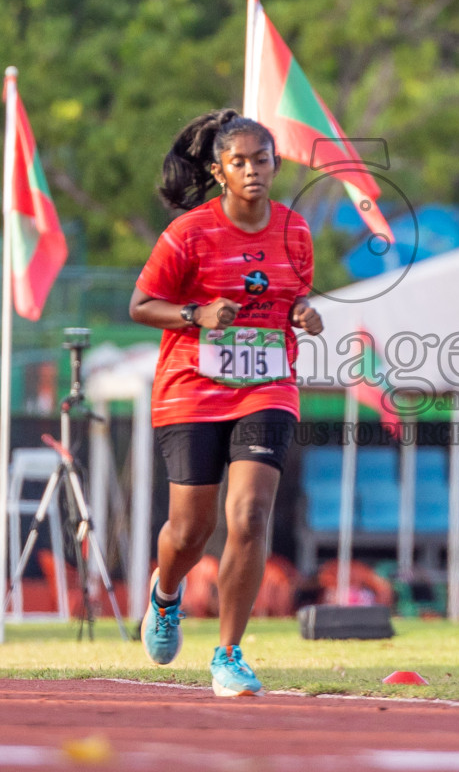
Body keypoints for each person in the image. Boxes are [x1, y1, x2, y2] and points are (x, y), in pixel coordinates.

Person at [129, 109, 322, 697]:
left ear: (276, 164)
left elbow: (289, 299)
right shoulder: (189, 234)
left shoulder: (295, 232)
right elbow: (141, 304)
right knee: (192, 529)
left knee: (251, 515)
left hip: (267, 387)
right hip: (192, 387)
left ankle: (229, 654)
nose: (252, 171)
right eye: (238, 162)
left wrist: (303, 314)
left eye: (261, 160)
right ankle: (166, 595)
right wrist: (197, 314)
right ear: (218, 172)